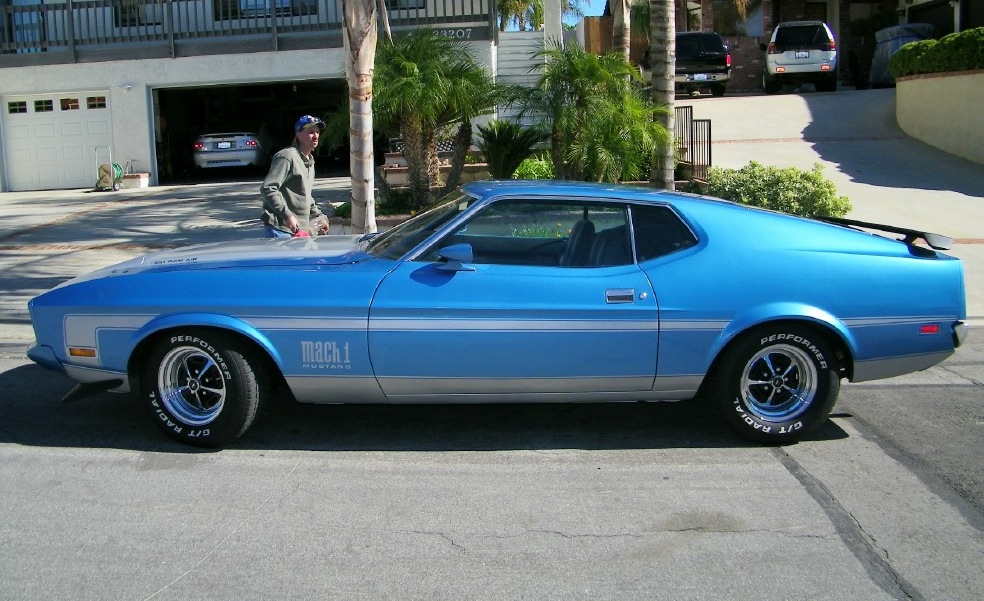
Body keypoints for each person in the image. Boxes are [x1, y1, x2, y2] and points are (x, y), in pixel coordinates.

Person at [260, 115, 331, 238]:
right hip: (280, 229)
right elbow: (268, 188)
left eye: (317, 132)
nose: (315, 136)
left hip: (299, 231)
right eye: (310, 132)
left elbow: (305, 196)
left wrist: (319, 216)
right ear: (298, 134)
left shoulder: (310, 161)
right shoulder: (287, 156)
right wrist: (287, 216)